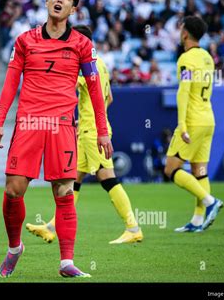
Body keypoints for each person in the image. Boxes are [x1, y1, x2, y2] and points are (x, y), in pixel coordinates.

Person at [0, 0, 113, 278]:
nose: (59, 0)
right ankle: (15, 247)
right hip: (29, 122)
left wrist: (101, 129)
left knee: (65, 192)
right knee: (13, 190)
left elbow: (95, 90)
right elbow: (10, 84)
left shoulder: (83, 45)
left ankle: (66, 262)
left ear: (73, 9)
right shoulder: (24, 41)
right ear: (46, 3)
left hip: (62, 125)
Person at [25, 25, 142, 245]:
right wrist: (86, 116)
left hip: (93, 133)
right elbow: (109, 99)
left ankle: (133, 227)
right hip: (90, 128)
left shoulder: (84, 66)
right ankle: (52, 227)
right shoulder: (102, 64)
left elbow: (64, 88)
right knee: (73, 179)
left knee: (107, 178)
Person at [164, 16, 223, 233]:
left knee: (170, 168)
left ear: (186, 33)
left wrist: (182, 125)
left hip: (193, 121)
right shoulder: (207, 57)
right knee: (200, 170)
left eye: (181, 28)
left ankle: (210, 202)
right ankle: (198, 221)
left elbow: (184, 91)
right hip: (209, 119)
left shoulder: (186, 59)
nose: (179, 32)